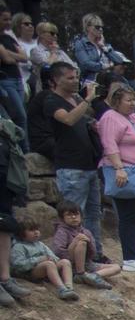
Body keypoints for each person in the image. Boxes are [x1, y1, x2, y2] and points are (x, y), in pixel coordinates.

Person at [38, 64, 103, 247]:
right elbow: (68, 119)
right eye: (70, 78)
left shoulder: (76, 99)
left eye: (76, 77)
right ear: (56, 80)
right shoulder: (51, 100)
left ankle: (94, 252)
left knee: (93, 214)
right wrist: (87, 100)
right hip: (71, 167)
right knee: (72, 215)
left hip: (89, 164)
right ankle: (71, 255)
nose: (75, 81)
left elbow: (82, 119)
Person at [95, 83, 135, 272]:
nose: (133, 104)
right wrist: (118, 168)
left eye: (134, 101)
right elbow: (109, 143)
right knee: (128, 215)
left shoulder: (134, 117)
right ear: (116, 101)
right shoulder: (110, 118)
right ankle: (130, 259)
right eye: (128, 100)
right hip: (125, 173)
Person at [10, 208, 77, 301]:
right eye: (31, 230)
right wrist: (39, 260)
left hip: (46, 268)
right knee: (48, 264)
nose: (36, 232)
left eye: (37, 229)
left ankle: (69, 287)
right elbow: (18, 265)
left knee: (65, 262)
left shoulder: (40, 244)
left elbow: (52, 256)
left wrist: (53, 259)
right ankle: (61, 289)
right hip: (29, 273)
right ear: (21, 233)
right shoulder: (19, 246)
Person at [49, 200, 116, 288]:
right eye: (69, 215)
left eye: (76, 214)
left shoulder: (85, 231)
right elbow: (58, 252)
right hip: (70, 264)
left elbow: (92, 254)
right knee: (81, 243)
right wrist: (75, 242)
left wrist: (89, 242)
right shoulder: (62, 231)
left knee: (116, 267)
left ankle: (92, 276)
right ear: (62, 218)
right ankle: (80, 274)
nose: (73, 217)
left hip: (86, 264)